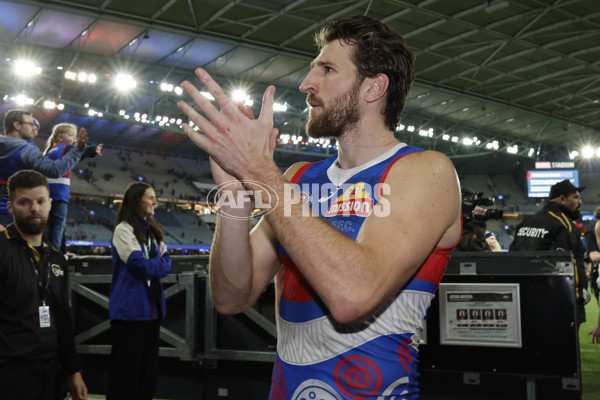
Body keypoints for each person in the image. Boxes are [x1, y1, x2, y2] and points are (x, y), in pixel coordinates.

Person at [178, 15, 462, 398]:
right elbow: (231, 297)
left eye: (327, 69)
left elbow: (353, 297)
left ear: (374, 87)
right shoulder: (296, 179)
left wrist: (261, 174)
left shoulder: (426, 171)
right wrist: (236, 194)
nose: (306, 84)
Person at [0, 170, 87, 400]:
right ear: (10, 207)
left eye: (40, 201)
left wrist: (73, 370)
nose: (34, 208)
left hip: (52, 373)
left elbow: (63, 315)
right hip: (10, 374)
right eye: (24, 202)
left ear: (50, 204)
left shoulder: (57, 257)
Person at [107, 182, 171, 400]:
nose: (156, 202)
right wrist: (157, 265)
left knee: (148, 374)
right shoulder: (123, 229)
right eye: (151, 197)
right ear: (136, 200)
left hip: (152, 312)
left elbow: (168, 263)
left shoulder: (152, 230)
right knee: (125, 376)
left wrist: (155, 265)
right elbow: (138, 266)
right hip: (129, 312)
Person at [509, 179, 588, 325]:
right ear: (563, 199)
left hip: (524, 298)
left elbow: (513, 256)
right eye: (576, 197)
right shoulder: (565, 225)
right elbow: (567, 266)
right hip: (557, 302)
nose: (580, 202)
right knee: (563, 345)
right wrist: (579, 295)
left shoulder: (526, 222)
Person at [0, 109, 88, 226]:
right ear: (17, 125)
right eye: (31, 124)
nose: (34, 127)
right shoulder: (26, 149)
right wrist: (78, 150)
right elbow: (55, 170)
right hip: (14, 213)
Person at [43, 123, 103, 249]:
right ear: (60, 137)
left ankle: (46, 250)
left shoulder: (49, 152)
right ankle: (56, 254)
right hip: (59, 195)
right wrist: (93, 150)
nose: (75, 139)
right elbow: (81, 152)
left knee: (48, 225)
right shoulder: (67, 148)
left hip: (46, 197)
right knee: (58, 225)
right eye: (72, 136)